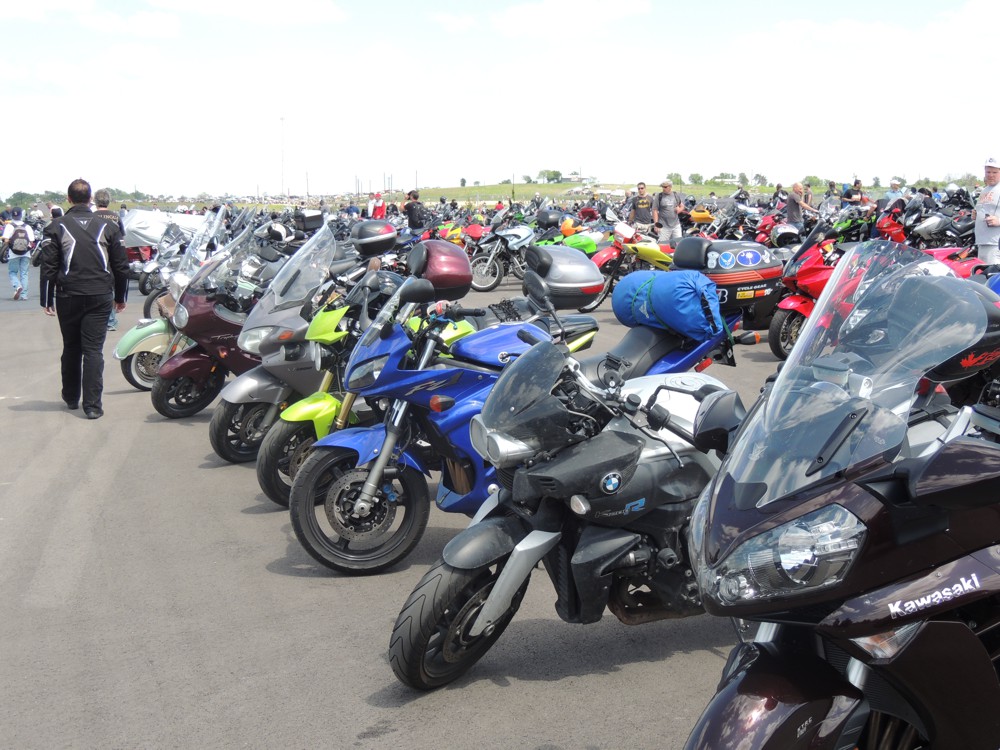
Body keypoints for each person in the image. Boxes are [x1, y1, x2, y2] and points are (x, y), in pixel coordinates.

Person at [40, 178, 129, 419]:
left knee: (71, 347)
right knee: (92, 351)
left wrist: (46, 299)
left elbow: (48, 266)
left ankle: (71, 397)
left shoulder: (56, 226)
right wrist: (120, 296)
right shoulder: (109, 226)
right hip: (100, 295)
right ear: (90, 199)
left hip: (67, 295)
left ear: (68, 199)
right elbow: (121, 267)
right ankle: (92, 406)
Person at [94, 189, 126, 331]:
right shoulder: (116, 217)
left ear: (95, 202)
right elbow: (121, 238)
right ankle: (111, 320)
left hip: (97, 257)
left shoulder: (92, 217)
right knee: (112, 288)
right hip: (113, 256)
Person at [3, 207, 36, 300]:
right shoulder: (27, 226)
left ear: (12, 215)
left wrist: (10, 244)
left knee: (12, 272)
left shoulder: (10, 226)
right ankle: (24, 295)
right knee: (24, 273)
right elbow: (32, 240)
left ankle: (17, 286)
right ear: (21, 215)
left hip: (13, 254)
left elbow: (5, 240)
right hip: (26, 253)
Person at [974, 157, 1000, 265]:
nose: (990, 175)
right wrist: (976, 214)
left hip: (995, 244)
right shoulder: (985, 190)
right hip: (982, 242)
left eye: (995, 172)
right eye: (988, 172)